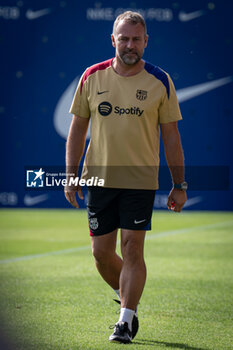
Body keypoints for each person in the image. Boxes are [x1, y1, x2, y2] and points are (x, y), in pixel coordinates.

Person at [65, 11, 187, 344]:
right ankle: (130, 300)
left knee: (132, 248)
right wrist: (71, 175)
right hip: (100, 180)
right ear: (113, 40)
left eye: (136, 39)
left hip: (140, 181)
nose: (130, 45)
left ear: (146, 41)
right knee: (101, 254)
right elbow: (77, 129)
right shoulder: (92, 77)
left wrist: (179, 184)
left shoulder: (159, 81)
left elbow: (172, 136)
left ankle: (126, 319)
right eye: (124, 38)